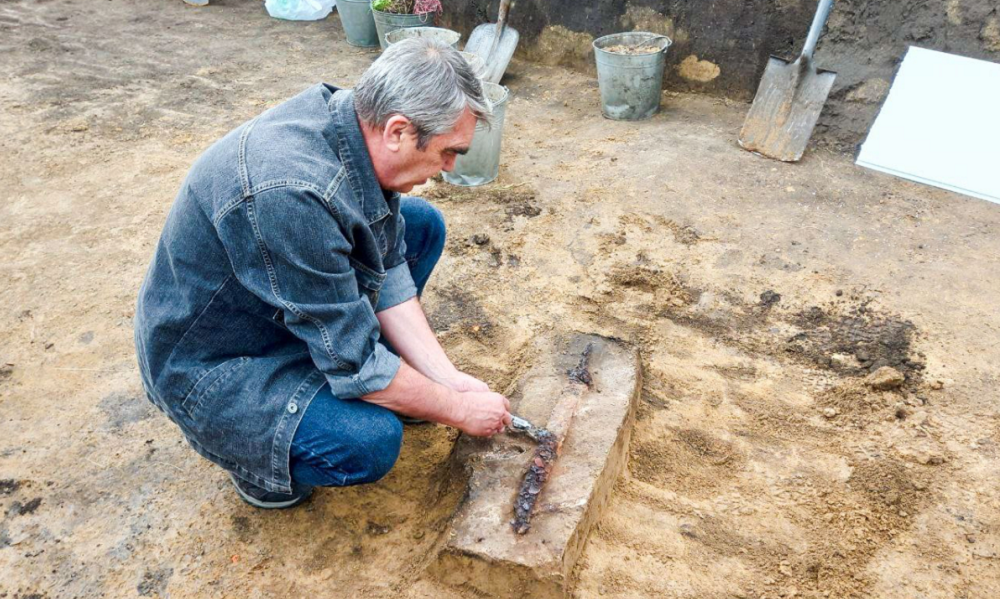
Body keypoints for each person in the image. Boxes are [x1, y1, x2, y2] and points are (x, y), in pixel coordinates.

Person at [134, 38, 511, 509]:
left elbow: (389, 264)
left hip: (278, 304)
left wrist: (447, 381)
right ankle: (256, 468)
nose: (449, 168)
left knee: (420, 226)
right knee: (368, 442)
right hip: (215, 361)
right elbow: (356, 364)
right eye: (448, 151)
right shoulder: (292, 194)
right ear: (398, 130)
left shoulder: (355, 126)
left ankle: (393, 385)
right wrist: (457, 410)